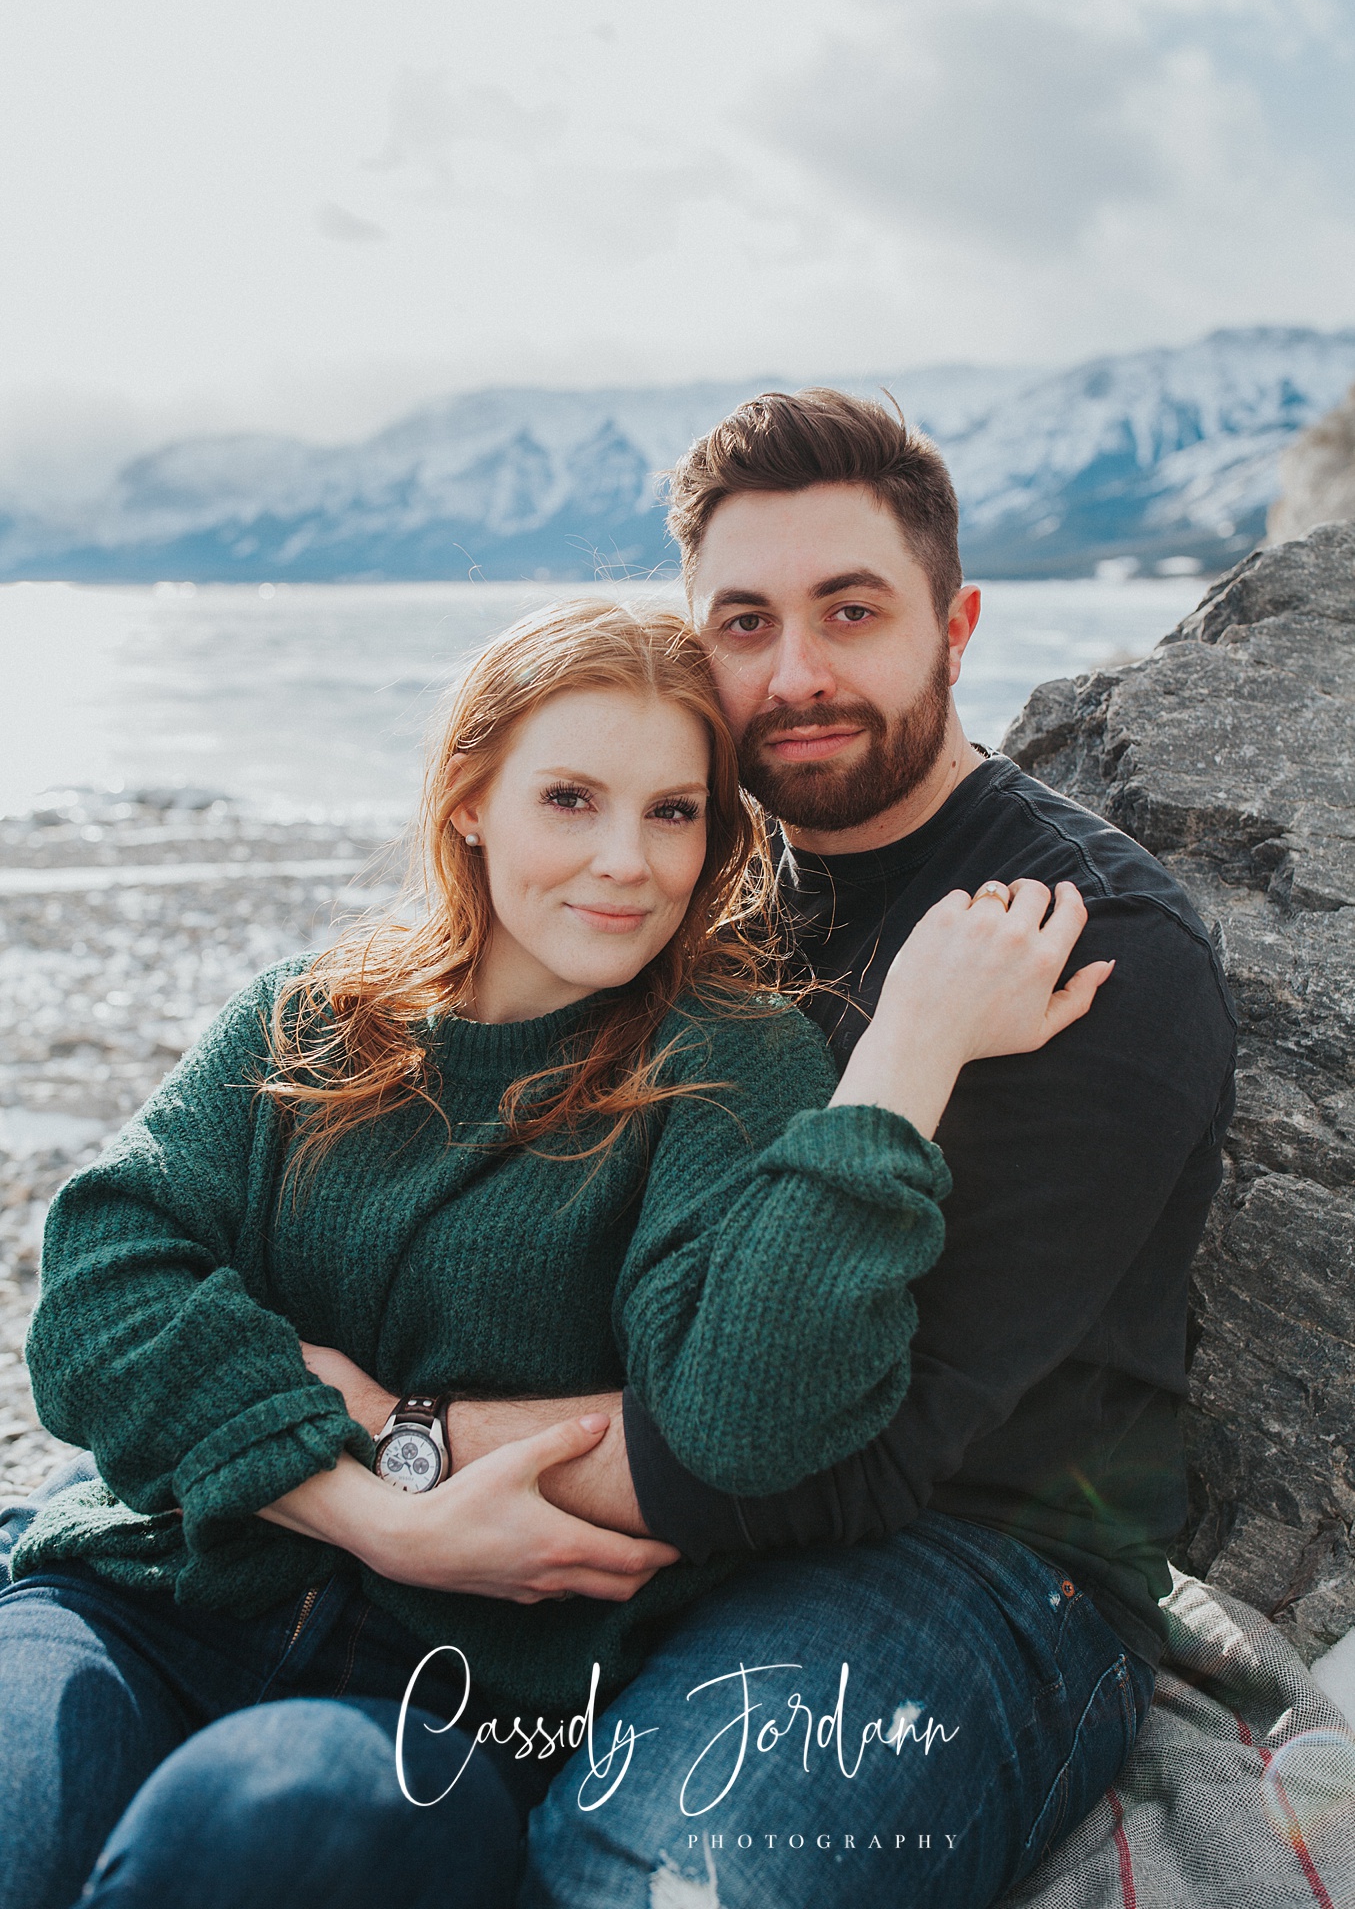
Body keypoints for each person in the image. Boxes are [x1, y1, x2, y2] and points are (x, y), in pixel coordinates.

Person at [0, 597, 1106, 1909]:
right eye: (571, 800)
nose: (627, 863)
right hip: (146, 1589)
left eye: (674, 811)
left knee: (269, 1825)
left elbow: (741, 1418)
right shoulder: (312, 1018)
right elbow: (97, 1289)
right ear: (471, 801)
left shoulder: (728, 1064)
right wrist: (381, 1514)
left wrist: (906, 1063)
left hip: (453, 1704)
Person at [364, 390, 1238, 1907]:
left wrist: (409, 1435)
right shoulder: (672, 876)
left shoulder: (1087, 946)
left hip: (977, 1570)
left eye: (851, 611)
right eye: (745, 624)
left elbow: (865, 1445)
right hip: (637, 1503)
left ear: (956, 622)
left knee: (657, 1872)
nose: (799, 673)